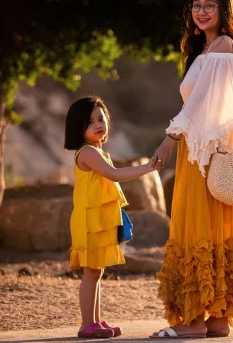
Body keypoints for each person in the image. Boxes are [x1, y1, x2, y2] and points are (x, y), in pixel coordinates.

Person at [150, 0, 233, 339]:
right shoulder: (207, 47)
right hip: (205, 151)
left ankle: (193, 321)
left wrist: (169, 138)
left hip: (204, 156)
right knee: (211, 228)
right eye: (196, 5)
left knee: (196, 226)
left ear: (224, 10)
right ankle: (216, 320)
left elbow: (197, 105)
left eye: (209, 5)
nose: (201, 11)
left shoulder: (223, 46)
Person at [64, 96, 157, 339]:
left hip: (98, 219)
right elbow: (114, 175)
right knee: (91, 272)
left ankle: (94, 321)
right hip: (88, 220)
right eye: (90, 121)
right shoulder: (86, 153)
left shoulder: (97, 151)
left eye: (101, 118)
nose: (98, 124)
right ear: (78, 127)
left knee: (97, 271)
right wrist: (147, 168)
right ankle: (86, 324)